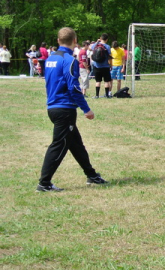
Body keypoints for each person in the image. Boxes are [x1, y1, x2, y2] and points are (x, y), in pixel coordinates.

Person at [37, 27, 108, 192]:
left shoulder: (50, 59)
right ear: (75, 41)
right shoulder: (69, 60)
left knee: (76, 144)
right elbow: (73, 88)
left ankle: (92, 175)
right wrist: (86, 109)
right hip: (64, 109)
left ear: (57, 40)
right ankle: (44, 183)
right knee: (59, 144)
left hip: (53, 106)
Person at [90, 33, 112, 98]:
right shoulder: (107, 46)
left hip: (96, 66)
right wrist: (110, 64)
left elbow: (90, 48)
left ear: (100, 38)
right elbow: (109, 56)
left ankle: (97, 95)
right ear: (107, 40)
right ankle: (107, 95)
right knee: (106, 81)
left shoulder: (96, 45)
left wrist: (97, 41)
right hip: (105, 66)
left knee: (98, 81)